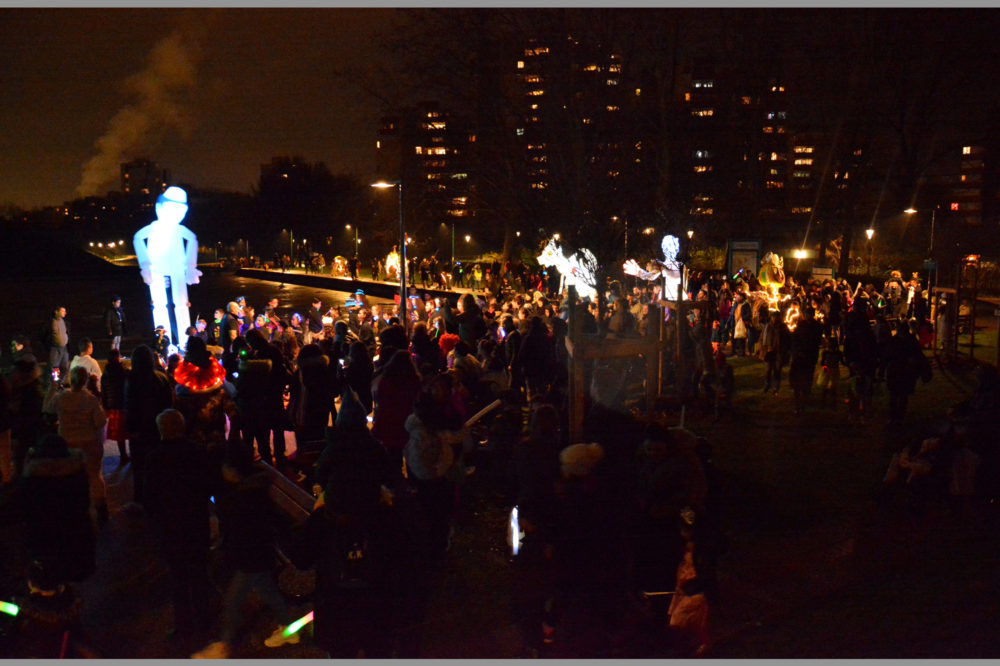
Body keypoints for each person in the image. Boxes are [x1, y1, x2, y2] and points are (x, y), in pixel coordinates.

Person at [191, 445, 298, 659]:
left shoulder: (244, 496)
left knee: (232, 600)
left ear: (232, 470)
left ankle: (224, 645)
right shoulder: (254, 489)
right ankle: (288, 627)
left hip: (251, 557)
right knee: (267, 591)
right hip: (259, 554)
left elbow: (242, 529)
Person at [146, 409, 215, 641]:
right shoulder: (196, 453)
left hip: (170, 527)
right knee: (199, 573)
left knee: (178, 579)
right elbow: (209, 486)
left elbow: (150, 498)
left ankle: (183, 625)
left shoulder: (155, 458)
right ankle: (205, 619)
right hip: (195, 522)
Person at [132, 186, 201, 350]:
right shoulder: (154, 227)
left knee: (182, 303)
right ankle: (164, 340)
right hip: (156, 268)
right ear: (160, 207)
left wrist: (190, 266)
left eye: (180, 209)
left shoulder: (179, 229)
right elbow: (138, 237)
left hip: (177, 268)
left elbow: (192, 238)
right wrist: (145, 266)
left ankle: (185, 341)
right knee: (159, 304)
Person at [43, 365, 108, 523]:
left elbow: (47, 409)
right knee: (94, 475)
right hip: (89, 442)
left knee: (69, 476)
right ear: (85, 380)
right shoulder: (90, 400)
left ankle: (71, 509)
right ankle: (101, 509)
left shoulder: (61, 397)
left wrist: (51, 387)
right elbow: (100, 422)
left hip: (67, 443)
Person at [124, 344, 175, 508]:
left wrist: (132, 429)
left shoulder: (132, 379)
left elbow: (130, 406)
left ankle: (141, 500)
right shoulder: (161, 378)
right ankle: (162, 497)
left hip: (140, 430)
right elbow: (169, 403)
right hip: (158, 427)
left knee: (139, 467)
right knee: (160, 463)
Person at [101, 348, 130, 463]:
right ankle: (129, 454)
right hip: (124, 403)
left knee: (120, 433)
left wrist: (106, 406)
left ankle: (123, 454)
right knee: (129, 430)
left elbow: (103, 391)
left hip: (113, 405)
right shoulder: (122, 370)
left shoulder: (106, 373)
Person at [49, 306, 70, 381]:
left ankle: (60, 383)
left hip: (64, 347)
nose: (65, 313)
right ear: (56, 312)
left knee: (65, 366)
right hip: (55, 348)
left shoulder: (63, 321)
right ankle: (55, 383)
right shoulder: (51, 322)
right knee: (55, 367)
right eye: (62, 311)